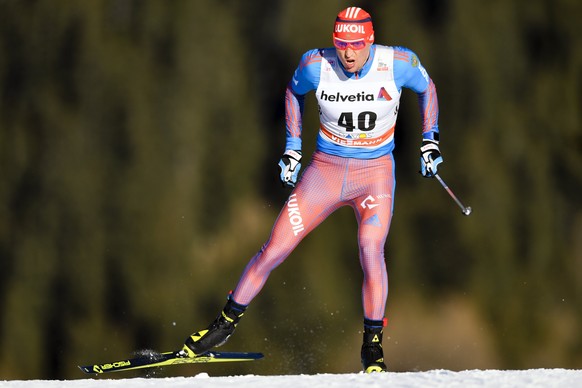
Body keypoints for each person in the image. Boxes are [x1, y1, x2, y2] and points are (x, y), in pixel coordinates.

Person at [181, 6, 443, 373]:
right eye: (340, 44)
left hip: (375, 172)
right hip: (325, 171)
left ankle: (372, 347)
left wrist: (429, 141)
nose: (347, 53)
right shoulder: (316, 65)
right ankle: (223, 326)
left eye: (354, 45)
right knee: (274, 247)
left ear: (369, 41)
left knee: (371, 248)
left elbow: (427, 88)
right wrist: (292, 147)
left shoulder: (396, 62)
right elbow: (293, 93)